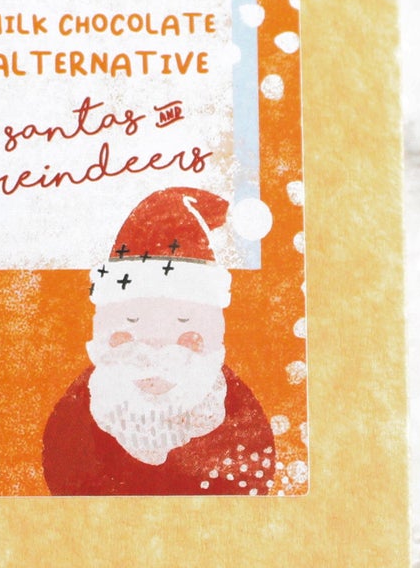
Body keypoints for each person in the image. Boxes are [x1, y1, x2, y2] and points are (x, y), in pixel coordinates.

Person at [42, 187, 276, 495]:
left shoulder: (235, 414)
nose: (155, 347)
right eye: (132, 322)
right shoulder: (80, 412)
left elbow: (253, 485)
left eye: (183, 324)